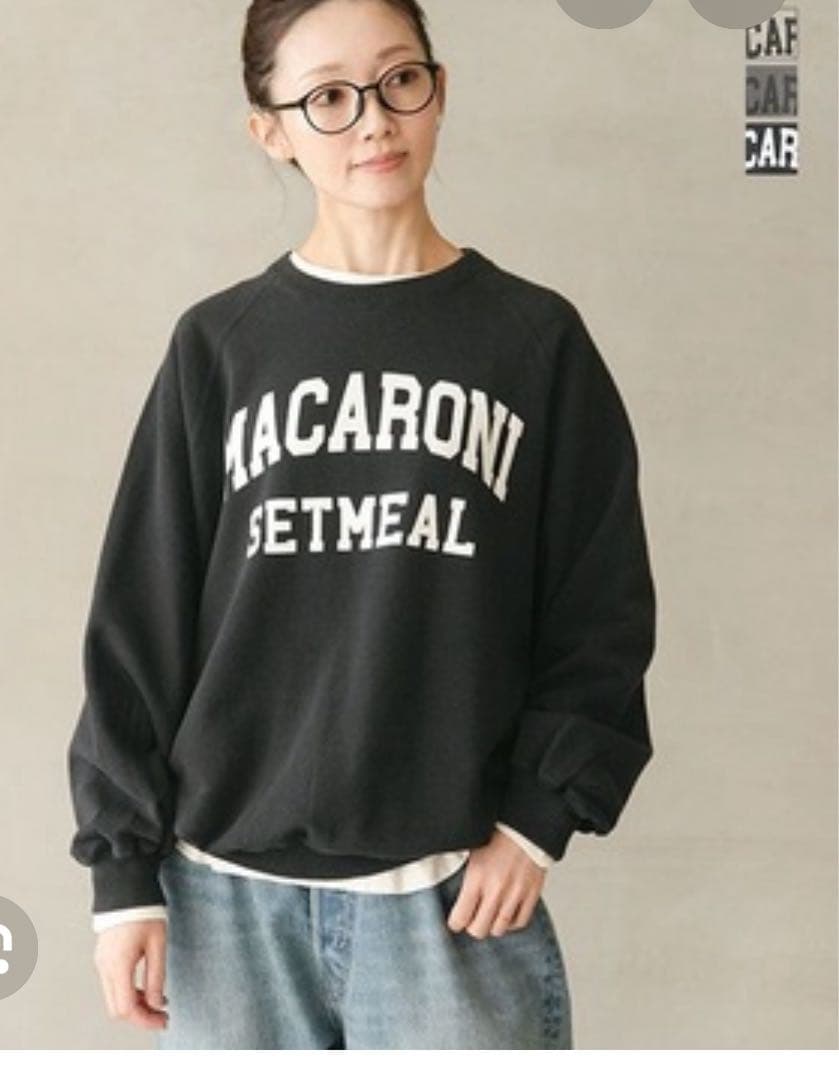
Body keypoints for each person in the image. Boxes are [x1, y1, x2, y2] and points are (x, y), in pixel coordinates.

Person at [66, 0, 657, 1050]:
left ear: (438, 90)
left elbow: (598, 609)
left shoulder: (533, 342)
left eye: (398, 81)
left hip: (450, 897)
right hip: (224, 903)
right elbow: (140, 620)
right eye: (328, 98)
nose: (373, 120)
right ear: (271, 130)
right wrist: (123, 878)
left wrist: (537, 819)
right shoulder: (220, 346)